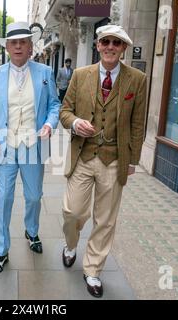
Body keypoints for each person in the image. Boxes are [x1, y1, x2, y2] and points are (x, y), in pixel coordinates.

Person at [59, 25, 147, 298]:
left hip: (114, 158)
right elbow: (65, 111)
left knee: (106, 220)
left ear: (123, 49)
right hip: (83, 155)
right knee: (72, 212)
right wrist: (75, 124)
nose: (110, 46)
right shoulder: (80, 75)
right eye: (106, 41)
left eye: (117, 43)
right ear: (97, 45)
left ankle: (93, 269)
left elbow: (137, 123)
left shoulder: (138, 79)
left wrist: (132, 160)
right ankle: (71, 244)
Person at [0, 22, 61, 277]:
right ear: (6, 46)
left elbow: (55, 105)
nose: (17, 46)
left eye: (23, 42)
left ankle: (31, 230)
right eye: (13, 42)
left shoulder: (45, 72)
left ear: (30, 47)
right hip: (5, 145)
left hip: (33, 145)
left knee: (35, 196)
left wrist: (49, 124)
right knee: (3, 199)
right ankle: (1, 250)